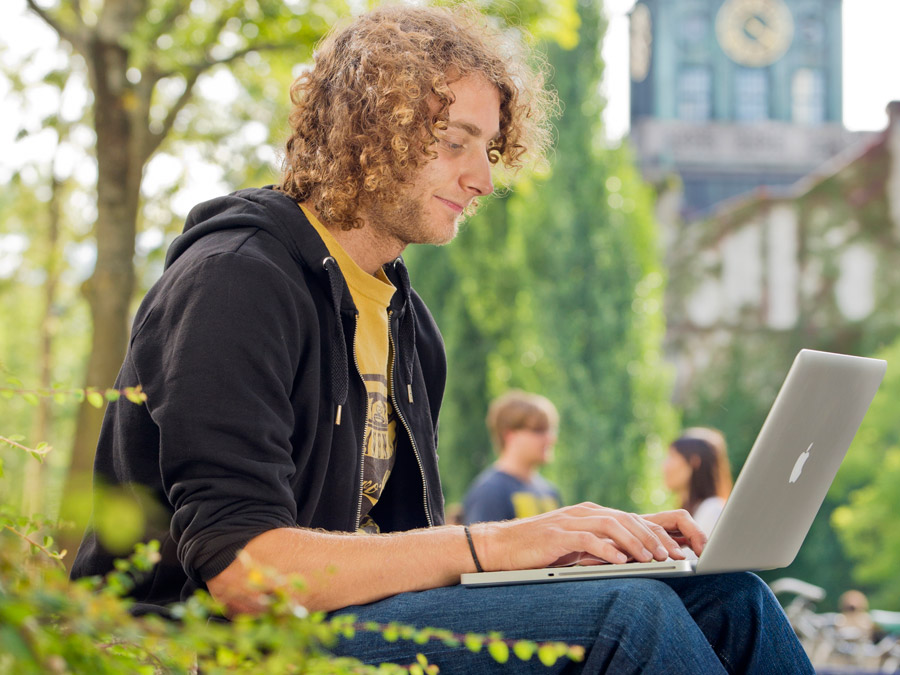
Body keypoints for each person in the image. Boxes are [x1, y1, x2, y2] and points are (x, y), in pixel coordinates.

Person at [71, 5, 813, 672]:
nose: (482, 179)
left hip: (341, 628)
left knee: (728, 597)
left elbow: (405, 554)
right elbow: (243, 571)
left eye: (489, 150)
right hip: (205, 648)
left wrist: (576, 553)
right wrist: (504, 544)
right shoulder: (235, 281)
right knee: (630, 616)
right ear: (366, 129)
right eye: (456, 142)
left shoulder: (407, 324)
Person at [463, 390, 562, 524]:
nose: (550, 439)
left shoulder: (550, 492)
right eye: (538, 430)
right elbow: (483, 544)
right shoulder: (490, 492)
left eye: (550, 430)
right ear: (510, 435)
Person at [662, 428, 733, 536]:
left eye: (673, 456)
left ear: (694, 462)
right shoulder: (691, 512)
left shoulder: (712, 510)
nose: (665, 466)